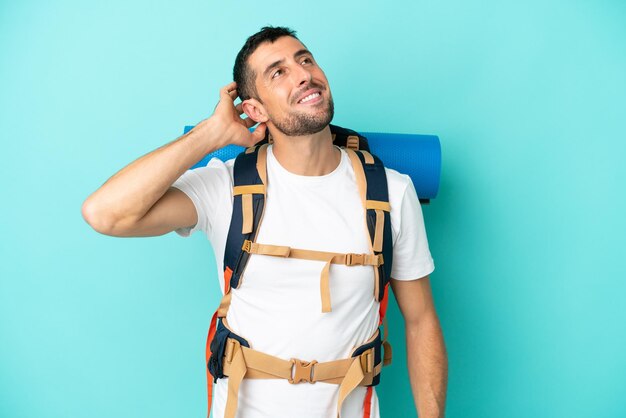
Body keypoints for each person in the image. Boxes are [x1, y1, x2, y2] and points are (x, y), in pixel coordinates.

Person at [82, 26, 448, 418]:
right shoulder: (226, 185)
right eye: (278, 72)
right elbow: (105, 213)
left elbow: (421, 320)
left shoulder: (392, 191)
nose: (304, 73)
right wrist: (211, 134)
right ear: (254, 110)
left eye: (305, 59)